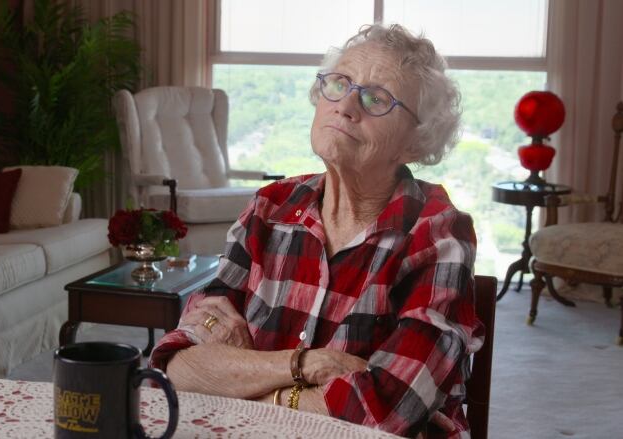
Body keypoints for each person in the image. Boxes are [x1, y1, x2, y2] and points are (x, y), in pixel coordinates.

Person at [149, 23, 483, 438]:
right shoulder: (269, 207)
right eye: (339, 83)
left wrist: (244, 387)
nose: (345, 106)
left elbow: (386, 410)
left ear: (415, 143)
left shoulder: (438, 231)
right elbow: (177, 365)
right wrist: (303, 364)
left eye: (376, 99)